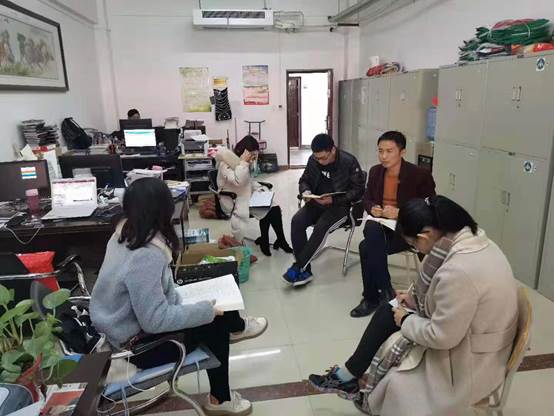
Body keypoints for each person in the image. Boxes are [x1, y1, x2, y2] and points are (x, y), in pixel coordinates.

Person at [309, 195, 518, 416]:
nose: (416, 249)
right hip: (475, 335)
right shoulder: (469, 240)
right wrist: (413, 299)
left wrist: (406, 319)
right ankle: (348, 376)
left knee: (395, 385)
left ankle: (354, 382)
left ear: (425, 235)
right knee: (388, 309)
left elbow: (442, 336)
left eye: (413, 244)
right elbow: (450, 296)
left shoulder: (460, 271)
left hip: (472, 362)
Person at [90, 178, 268, 415]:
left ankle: (236, 327)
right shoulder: (145, 256)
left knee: (216, 300)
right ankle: (221, 397)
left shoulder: (122, 235)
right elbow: (154, 321)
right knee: (215, 323)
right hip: (138, 348)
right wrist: (204, 312)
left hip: (118, 328)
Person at [350, 131, 436, 318]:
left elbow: (429, 209)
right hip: (381, 227)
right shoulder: (375, 171)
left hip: (407, 231)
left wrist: (400, 213)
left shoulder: (420, 175)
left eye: (389, 151)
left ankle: (373, 298)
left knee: (366, 247)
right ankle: (384, 290)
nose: (383, 156)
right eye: (380, 151)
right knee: (372, 229)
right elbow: (367, 199)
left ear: (402, 152)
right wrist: (373, 208)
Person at [283, 134, 365, 286]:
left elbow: (358, 190)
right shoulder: (313, 160)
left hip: (341, 207)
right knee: (297, 221)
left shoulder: (349, 162)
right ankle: (305, 270)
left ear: (332, 150)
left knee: (321, 226)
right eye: (317, 158)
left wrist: (333, 200)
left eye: (323, 158)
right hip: (317, 202)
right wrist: (306, 191)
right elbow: (304, 180)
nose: (320, 161)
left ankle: (299, 267)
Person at [215, 135, 292, 256]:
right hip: (233, 199)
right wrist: (244, 162)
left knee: (274, 207)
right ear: (243, 152)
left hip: (244, 194)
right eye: (252, 155)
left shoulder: (240, 162)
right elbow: (239, 181)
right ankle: (267, 241)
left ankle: (278, 240)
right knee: (267, 209)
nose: (253, 159)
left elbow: (247, 182)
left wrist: (260, 188)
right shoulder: (226, 164)